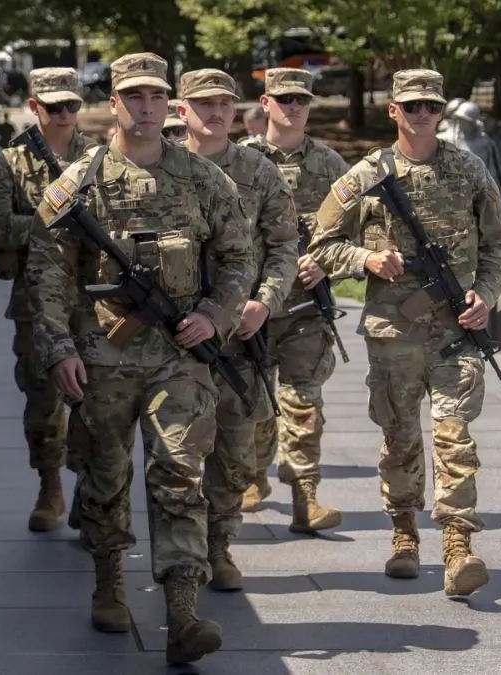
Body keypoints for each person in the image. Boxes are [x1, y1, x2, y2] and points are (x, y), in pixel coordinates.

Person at [26, 52, 254, 664]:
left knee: (179, 470)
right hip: (103, 356)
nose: (146, 107)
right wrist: (59, 348)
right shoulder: (79, 183)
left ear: (168, 103)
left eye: (156, 96)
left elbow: (240, 257)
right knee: (105, 474)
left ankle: (182, 611)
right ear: (113, 104)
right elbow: (47, 272)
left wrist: (215, 314)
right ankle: (109, 581)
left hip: (180, 355)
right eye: (133, 96)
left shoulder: (205, 180)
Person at [309, 68, 501, 597]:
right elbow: (320, 245)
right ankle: (403, 535)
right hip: (393, 331)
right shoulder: (366, 174)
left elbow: (495, 247)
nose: (422, 114)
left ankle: (458, 546)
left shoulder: (468, 170)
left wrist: (485, 296)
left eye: (431, 106)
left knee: (453, 435)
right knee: (399, 438)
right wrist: (367, 259)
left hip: (455, 332)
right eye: (412, 105)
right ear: (393, 110)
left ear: (441, 111)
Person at [176, 69, 298, 591]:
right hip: (174, 336)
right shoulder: (163, 165)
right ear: (182, 110)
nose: (216, 112)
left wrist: (264, 303)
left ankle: (219, 545)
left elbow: (284, 247)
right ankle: (179, 551)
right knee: (178, 451)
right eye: (204, 103)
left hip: (238, 338)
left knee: (234, 449)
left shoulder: (258, 170)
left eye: (224, 104)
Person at [0, 67, 97, 533]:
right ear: (34, 107)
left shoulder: (102, 158)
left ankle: (89, 492)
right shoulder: (9, 164)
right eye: (54, 107)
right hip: (34, 300)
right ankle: (49, 487)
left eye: (71, 105)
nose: (64, 114)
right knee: (42, 399)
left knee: (96, 402)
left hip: (95, 299)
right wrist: (56, 223)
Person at [239, 68, 347, 532]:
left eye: (302, 99)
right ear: (265, 103)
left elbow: (356, 228)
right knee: (255, 405)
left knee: (304, 402)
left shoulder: (329, 163)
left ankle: (306, 498)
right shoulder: (241, 160)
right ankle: (252, 475)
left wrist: (326, 262)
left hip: (305, 306)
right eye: (284, 99)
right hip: (253, 306)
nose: (294, 107)